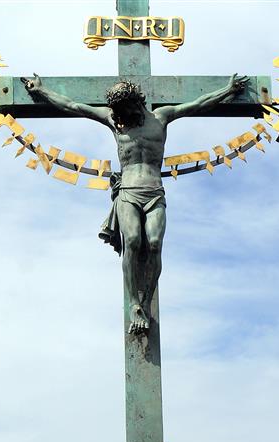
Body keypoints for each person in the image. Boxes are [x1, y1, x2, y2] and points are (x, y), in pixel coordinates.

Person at [24, 74, 248, 335]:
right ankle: (134, 305)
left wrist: (228, 90)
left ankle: (145, 301)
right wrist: (42, 91)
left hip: (153, 191)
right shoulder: (114, 120)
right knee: (132, 241)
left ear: (136, 101)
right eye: (117, 111)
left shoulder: (161, 117)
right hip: (128, 191)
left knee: (154, 243)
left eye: (125, 109)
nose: (121, 116)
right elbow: (73, 106)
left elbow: (198, 103)